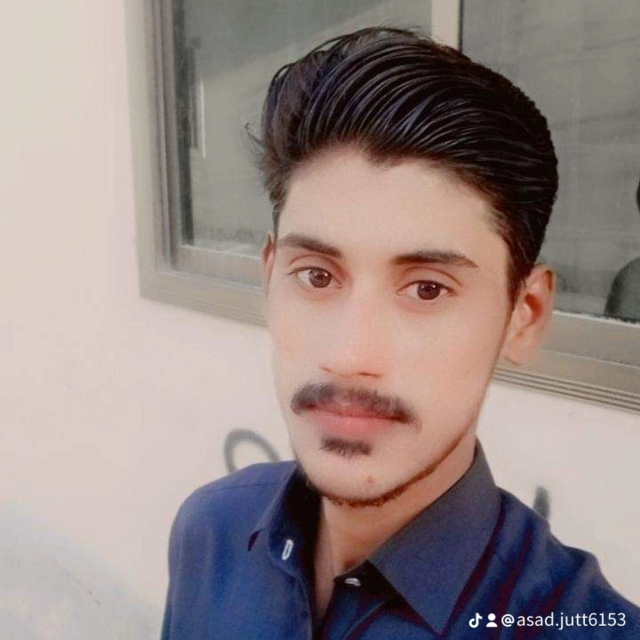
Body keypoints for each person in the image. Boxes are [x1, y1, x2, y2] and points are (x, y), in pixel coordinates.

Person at [160, 27, 640, 639]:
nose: (348, 355)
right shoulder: (211, 533)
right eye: (316, 276)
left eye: (427, 289)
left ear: (524, 314)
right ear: (269, 276)